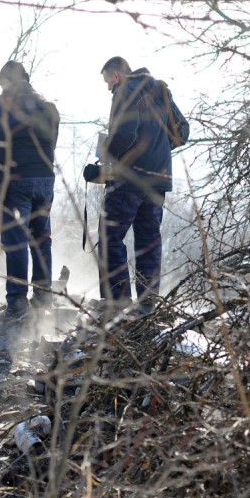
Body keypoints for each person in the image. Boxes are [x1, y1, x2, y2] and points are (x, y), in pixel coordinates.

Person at [86, 56, 189, 312]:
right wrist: (157, 149)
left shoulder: (125, 91)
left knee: (110, 237)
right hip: (158, 181)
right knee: (148, 240)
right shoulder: (160, 90)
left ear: (116, 76)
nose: (107, 87)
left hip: (128, 181)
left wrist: (105, 158)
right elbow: (182, 132)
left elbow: (125, 134)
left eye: (107, 81)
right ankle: (148, 304)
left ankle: (117, 302)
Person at [0, 61, 59, 321]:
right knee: (41, 239)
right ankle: (42, 298)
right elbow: (51, 141)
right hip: (45, 179)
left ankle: (17, 302)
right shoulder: (49, 106)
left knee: (15, 240)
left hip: (15, 179)